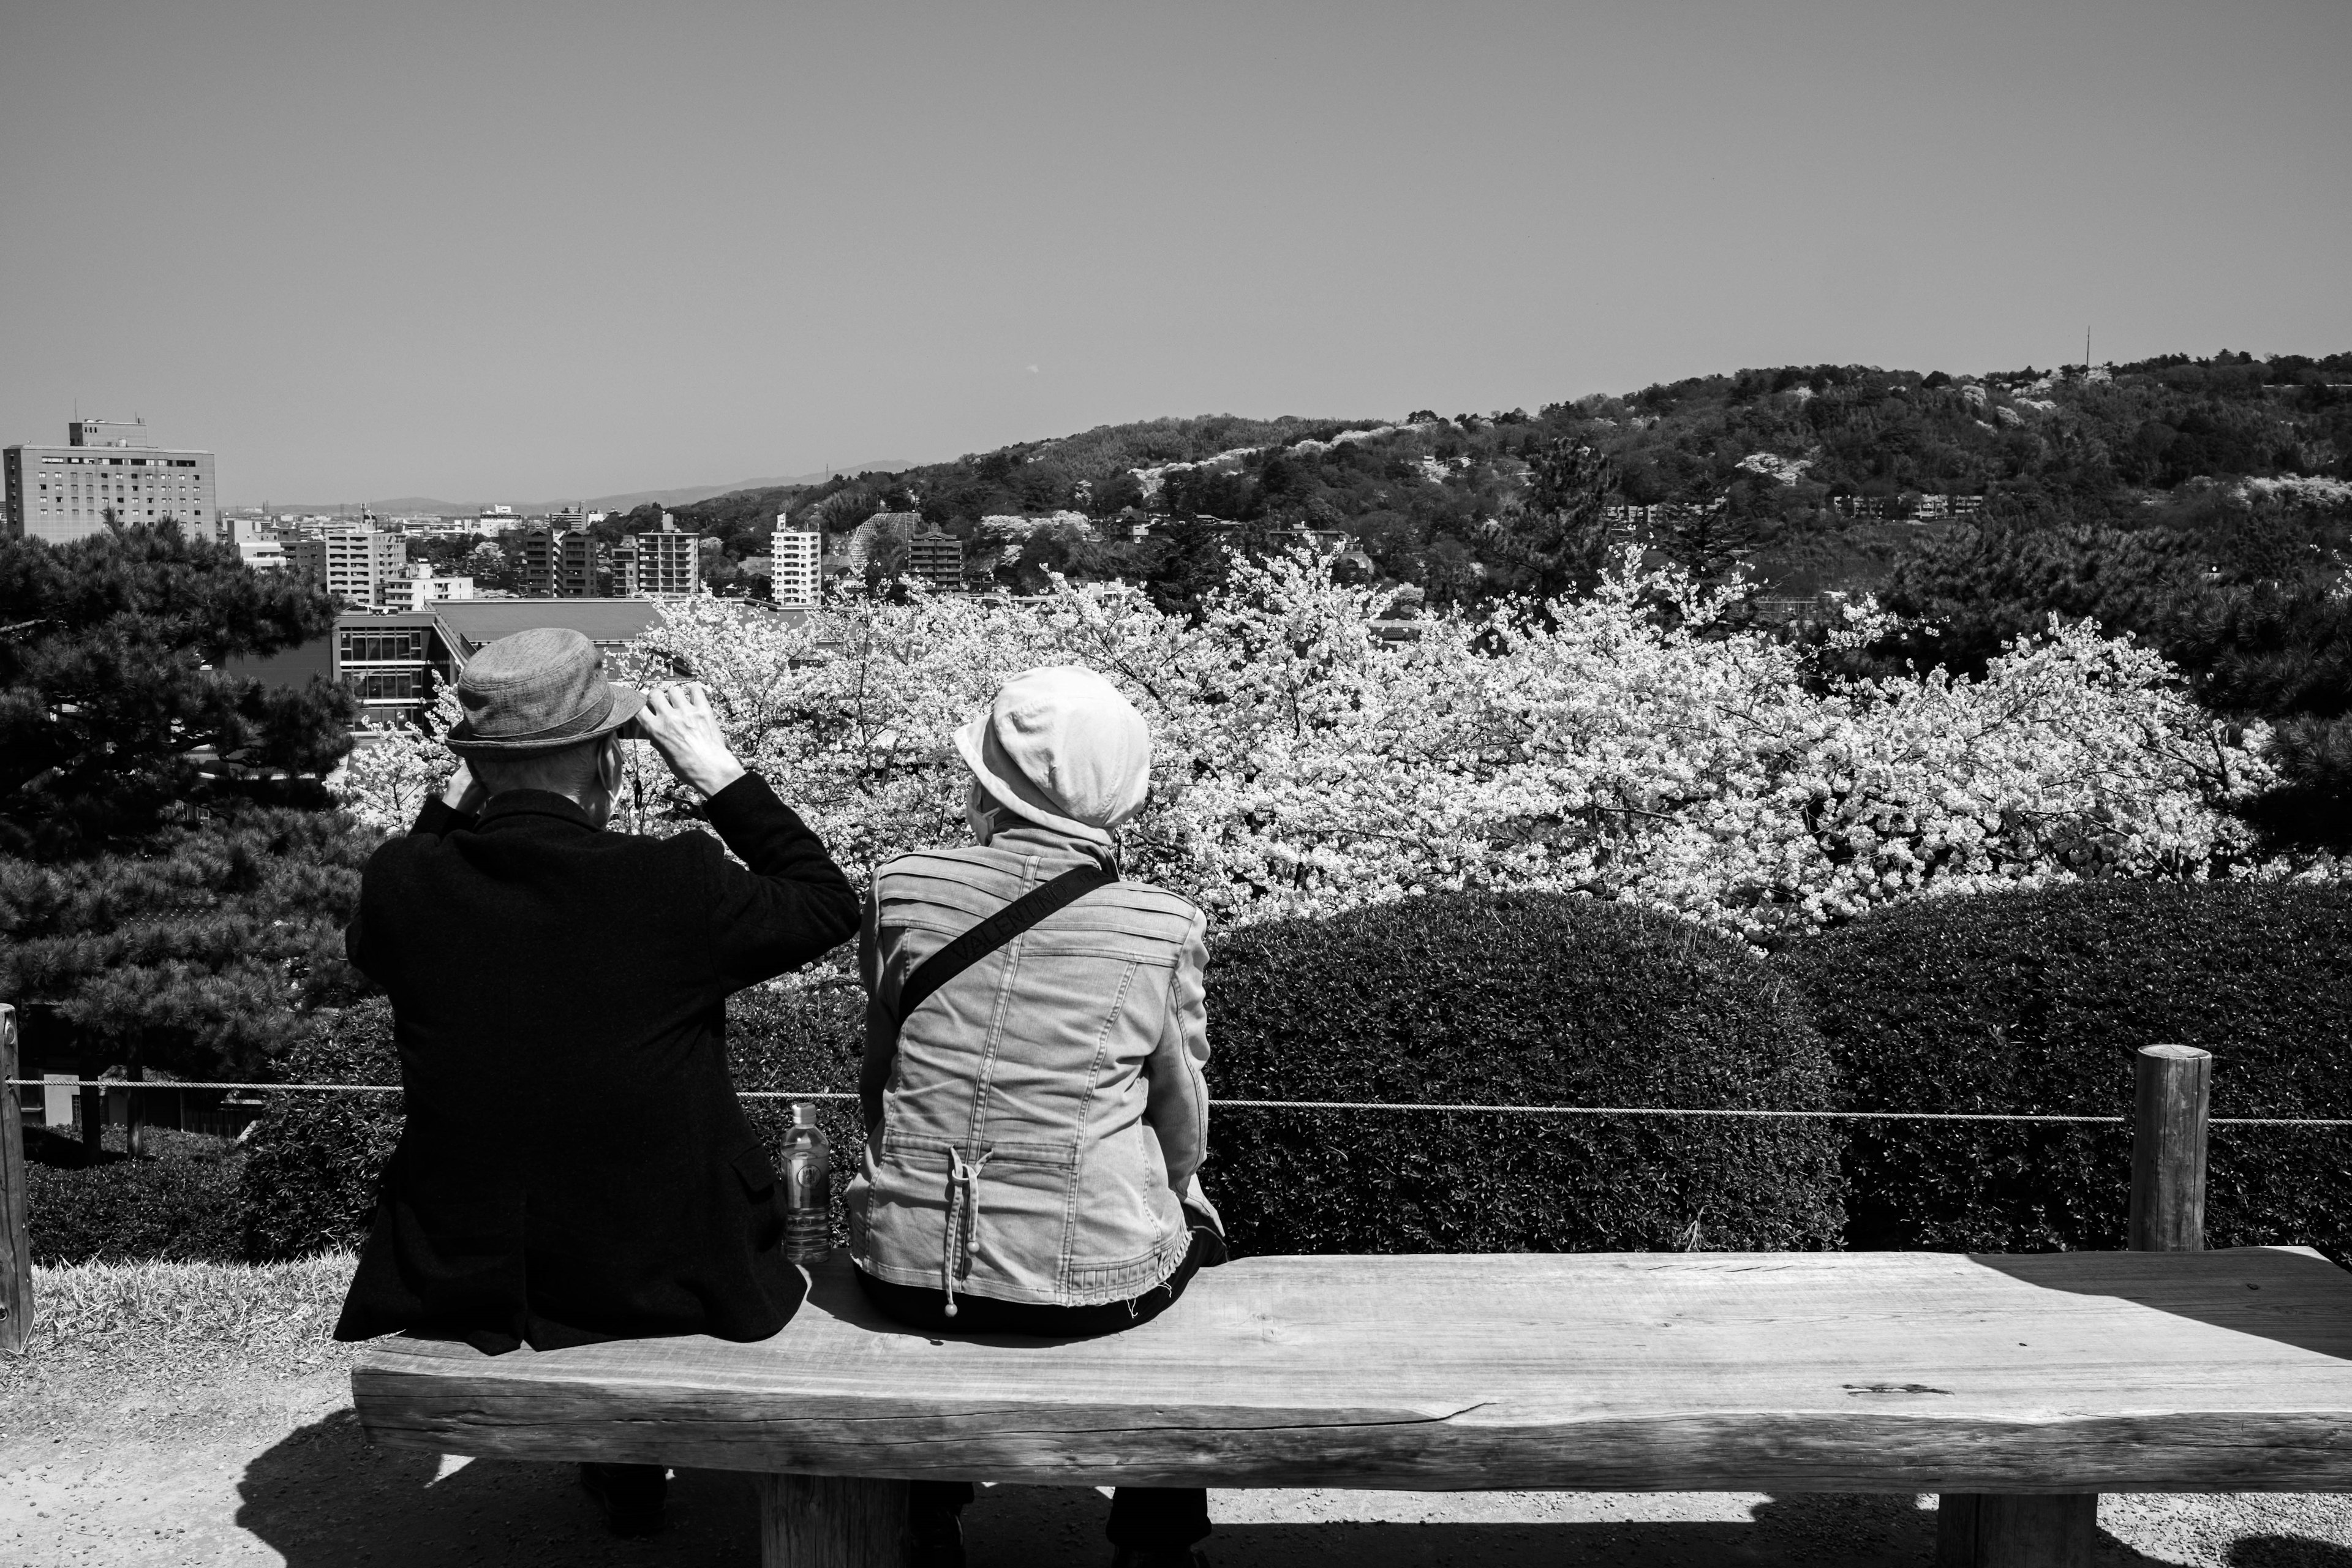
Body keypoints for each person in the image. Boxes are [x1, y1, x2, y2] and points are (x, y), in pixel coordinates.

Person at [332, 627, 859, 1538]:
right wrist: (719, 774)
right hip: (669, 1265)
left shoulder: (403, 882)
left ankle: (621, 1476)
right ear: (606, 761)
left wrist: (463, 800)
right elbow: (826, 902)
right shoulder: (669, 881)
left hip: (468, 1269)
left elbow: (380, 933)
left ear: (477, 767)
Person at [849, 665, 1226, 1568]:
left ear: (987, 785)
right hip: (1088, 1288)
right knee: (1189, 1250)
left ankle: (924, 1515)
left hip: (901, 1269)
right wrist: (1182, 1193)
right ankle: (1155, 1540)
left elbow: (883, 1078)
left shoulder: (901, 889)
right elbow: (1183, 1115)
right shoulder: (1160, 927)